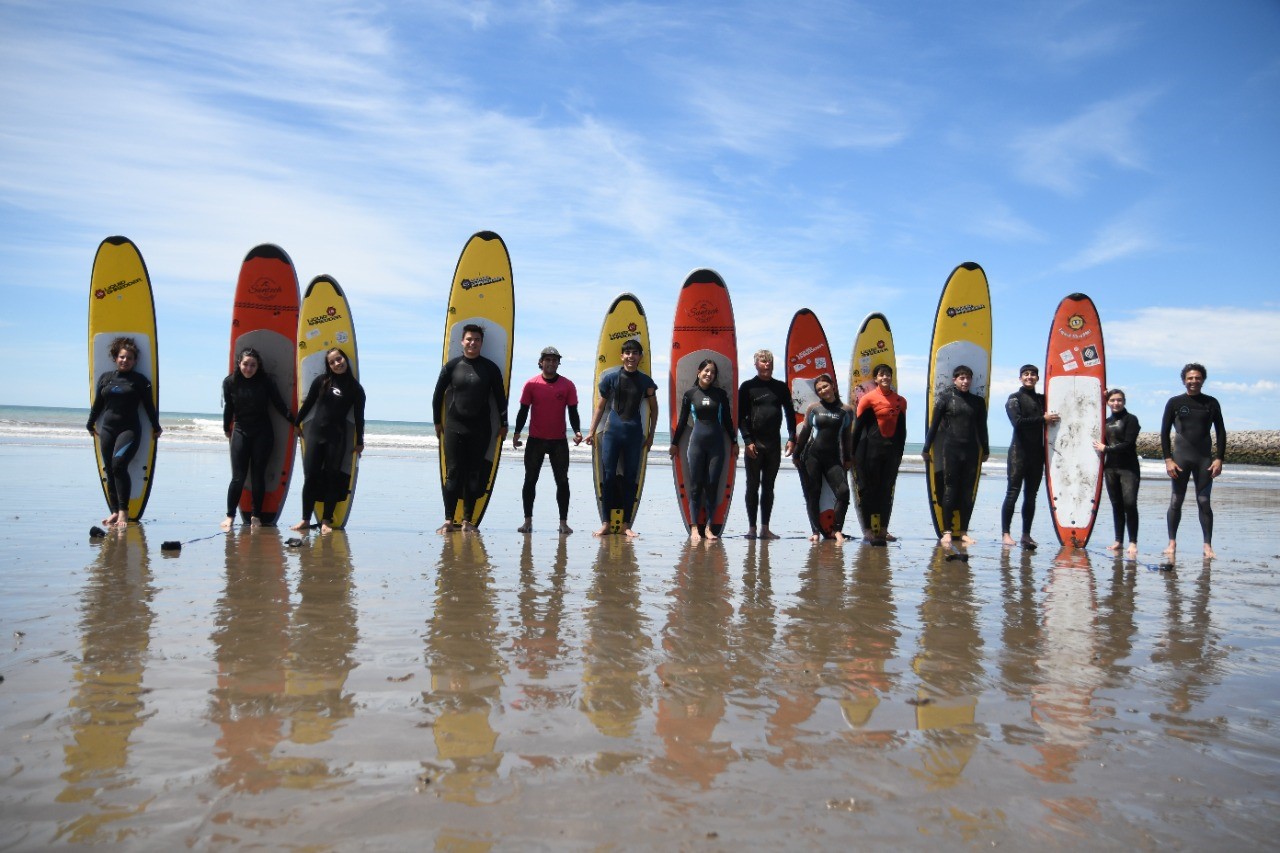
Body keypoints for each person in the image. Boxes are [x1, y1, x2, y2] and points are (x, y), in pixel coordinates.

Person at [432, 324, 509, 533]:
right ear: (462, 342)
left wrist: (504, 424)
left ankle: (467, 521)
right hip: (454, 427)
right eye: (469, 339)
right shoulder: (452, 366)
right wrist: (437, 422)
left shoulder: (490, 368)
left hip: (481, 428)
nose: (472, 343)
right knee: (454, 473)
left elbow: (500, 399)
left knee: (474, 474)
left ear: (481, 343)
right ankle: (449, 520)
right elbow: (438, 395)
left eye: (476, 339)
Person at [584, 338, 658, 538]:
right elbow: (600, 407)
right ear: (622, 356)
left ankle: (626, 525)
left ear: (640, 357)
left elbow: (654, 408)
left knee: (630, 478)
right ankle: (606, 523)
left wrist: (651, 435)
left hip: (635, 434)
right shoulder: (611, 379)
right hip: (612, 433)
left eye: (635, 353)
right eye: (627, 353)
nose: (631, 356)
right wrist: (591, 431)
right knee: (608, 477)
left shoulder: (645, 381)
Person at [87, 336, 162, 527]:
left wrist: (156, 426)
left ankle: (123, 512)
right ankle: (113, 512)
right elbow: (98, 405)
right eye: (122, 357)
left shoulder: (140, 381)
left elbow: (148, 406)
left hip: (129, 429)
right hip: (108, 429)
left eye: (129, 358)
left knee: (119, 465)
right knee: (110, 470)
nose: (125, 361)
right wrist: (90, 422)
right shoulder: (106, 378)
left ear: (135, 361)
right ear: (115, 358)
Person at [292, 347, 365, 534]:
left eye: (339, 359)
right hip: (316, 435)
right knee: (310, 477)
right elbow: (308, 404)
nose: (337, 363)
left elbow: (358, 417)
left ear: (345, 359)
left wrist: (360, 442)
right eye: (332, 362)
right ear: (328, 366)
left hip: (337, 437)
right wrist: (296, 423)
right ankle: (305, 519)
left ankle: (326, 520)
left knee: (333, 477)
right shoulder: (322, 381)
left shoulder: (356, 389)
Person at [512, 346, 583, 535]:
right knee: (530, 480)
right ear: (541, 362)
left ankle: (563, 523)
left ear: (558, 363)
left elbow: (573, 411)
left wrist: (577, 431)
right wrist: (517, 433)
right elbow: (523, 410)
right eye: (548, 360)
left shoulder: (568, 385)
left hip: (558, 441)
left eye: (554, 360)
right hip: (536, 440)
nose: (551, 363)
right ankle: (527, 522)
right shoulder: (531, 384)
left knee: (562, 481)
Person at [221, 347, 293, 530]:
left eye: (253, 365)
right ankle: (230, 516)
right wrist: (226, 428)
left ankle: (255, 516)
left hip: (263, 432)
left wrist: (295, 421)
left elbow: (278, 403)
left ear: (258, 366)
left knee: (257, 475)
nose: (249, 368)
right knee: (238, 477)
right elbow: (228, 407)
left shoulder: (265, 381)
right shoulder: (230, 382)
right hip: (240, 430)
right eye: (246, 364)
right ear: (239, 363)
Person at [1160, 363, 1226, 559]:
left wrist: (1219, 459)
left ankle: (1207, 545)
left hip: (1204, 459)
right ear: (1184, 380)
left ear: (1203, 380)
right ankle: (1172, 543)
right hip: (1180, 458)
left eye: (1197, 378)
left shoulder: (1211, 403)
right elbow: (1164, 432)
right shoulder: (1174, 402)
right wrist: (1168, 459)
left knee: (1204, 501)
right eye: (1190, 378)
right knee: (1176, 500)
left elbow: (1221, 432)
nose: (1193, 381)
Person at [670, 358, 738, 542]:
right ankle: (694, 528)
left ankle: (708, 528)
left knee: (712, 485)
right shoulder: (690, 394)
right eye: (706, 371)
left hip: (717, 445)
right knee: (695, 486)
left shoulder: (720, 394)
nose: (709, 374)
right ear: (699, 372)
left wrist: (734, 441)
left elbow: (727, 421)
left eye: (712, 372)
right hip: (696, 445)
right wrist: (675, 443)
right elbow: (683, 421)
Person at [921, 364, 989, 547]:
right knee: (950, 489)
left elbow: (982, 428)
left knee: (968, 492)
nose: (965, 381)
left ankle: (964, 531)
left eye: (968, 378)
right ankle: (947, 532)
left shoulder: (978, 402)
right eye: (962, 378)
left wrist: (986, 449)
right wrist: (926, 449)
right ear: (955, 380)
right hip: (951, 450)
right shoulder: (945, 399)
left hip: (972, 451)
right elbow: (933, 426)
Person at [737, 349, 796, 540]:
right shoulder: (747, 387)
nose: (767, 364)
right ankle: (752, 528)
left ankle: (765, 528)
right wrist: (747, 440)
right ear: (756, 364)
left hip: (772, 446)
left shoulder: (780, 387)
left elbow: (789, 413)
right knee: (752, 486)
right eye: (763, 361)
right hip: (754, 445)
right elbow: (740, 417)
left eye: (769, 361)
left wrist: (792, 437)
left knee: (769, 487)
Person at [999, 364, 1060, 548]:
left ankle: (1026, 534)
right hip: (1019, 453)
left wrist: (1103, 396)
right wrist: (1043, 419)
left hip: (1037, 454)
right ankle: (1006, 534)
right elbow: (1017, 422)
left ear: (1037, 378)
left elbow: (1067, 401)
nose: (1029, 377)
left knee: (1031, 496)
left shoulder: (1043, 400)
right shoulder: (1014, 399)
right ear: (1020, 378)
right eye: (1026, 374)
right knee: (1013, 493)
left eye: (1033, 374)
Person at [793, 373, 852, 544]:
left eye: (825, 386)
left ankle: (837, 530)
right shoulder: (814, 409)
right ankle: (815, 532)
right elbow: (804, 433)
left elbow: (847, 437)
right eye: (819, 389)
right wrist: (797, 454)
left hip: (833, 458)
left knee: (843, 492)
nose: (823, 391)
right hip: (812, 456)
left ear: (833, 386)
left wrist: (848, 458)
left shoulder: (846, 411)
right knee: (813, 493)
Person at [851, 363, 907, 543]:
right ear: (875, 379)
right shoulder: (868, 399)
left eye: (888, 374)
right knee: (869, 491)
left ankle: (883, 528)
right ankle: (868, 529)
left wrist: (899, 454)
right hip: (870, 452)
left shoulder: (900, 401)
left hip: (891, 453)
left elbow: (902, 431)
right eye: (881, 375)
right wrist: (852, 454)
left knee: (886, 491)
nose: (885, 377)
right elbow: (858, 429)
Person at [1093, 388, 1140, 559]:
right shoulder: (1105, 422)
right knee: (1116, 504)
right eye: (1112, 400)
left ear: (1124, 401)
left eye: (1119, 400)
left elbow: (1128, 444)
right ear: (1108, 403)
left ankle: (1133, 541)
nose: (1116, 403)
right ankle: (1119, 541)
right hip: (1110, 468)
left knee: (1130, 503)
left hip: (1128, 468)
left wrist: (1106, 448)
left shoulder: (1131, 420)